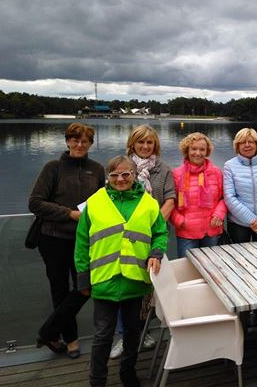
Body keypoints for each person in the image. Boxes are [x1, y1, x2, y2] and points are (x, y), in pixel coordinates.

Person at [75, 155, 168, 387]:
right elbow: (82, 242)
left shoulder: (149, 203)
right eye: (115, 175)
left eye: (126, 174)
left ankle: (128, 373)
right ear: (108, 177)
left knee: (132, 333)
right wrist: (83, 277)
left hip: (135, 279)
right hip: (104, 279)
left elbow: (160, 233)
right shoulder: (95, 202)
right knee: (102, 336)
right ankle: (97, 380)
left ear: (134, 175)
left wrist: (156, 254)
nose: (120, 179)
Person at [29, 123, 105, 359]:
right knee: (60, 289)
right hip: (53, 239)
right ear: (68, 141)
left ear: (90, 143)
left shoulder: (97, 169)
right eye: (75, 140)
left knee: (85, 286)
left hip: (84, 241)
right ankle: (70, 340)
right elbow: (35, 202)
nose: (80, 145)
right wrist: (69, 213)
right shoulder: (53, 168)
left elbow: (104, 201)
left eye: (85, 141)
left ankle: (49, 331)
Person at [110, 125, 176, 359]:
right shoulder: (122, 168)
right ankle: (123, 336)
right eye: (141, 143)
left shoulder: (163, 169)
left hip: (154, 237)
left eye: (149, 143)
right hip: (125, 239)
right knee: (124, 286)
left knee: (149, 285)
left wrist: (152, 224)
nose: (146, 147)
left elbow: (170, 199)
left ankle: (143, 332)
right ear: (133, 144)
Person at [170, 132, 227, 257]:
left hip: (211, 230)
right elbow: (170, 203)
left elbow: (224, 198)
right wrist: (180, 221)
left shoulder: (216, 173)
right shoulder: (176, 174)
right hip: (186, 233)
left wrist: (219, 214)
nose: (198, 153)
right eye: (194, 149)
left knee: (213, 268)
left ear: (207, 151)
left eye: (202, 149)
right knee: (186, 269)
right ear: (187, 150)